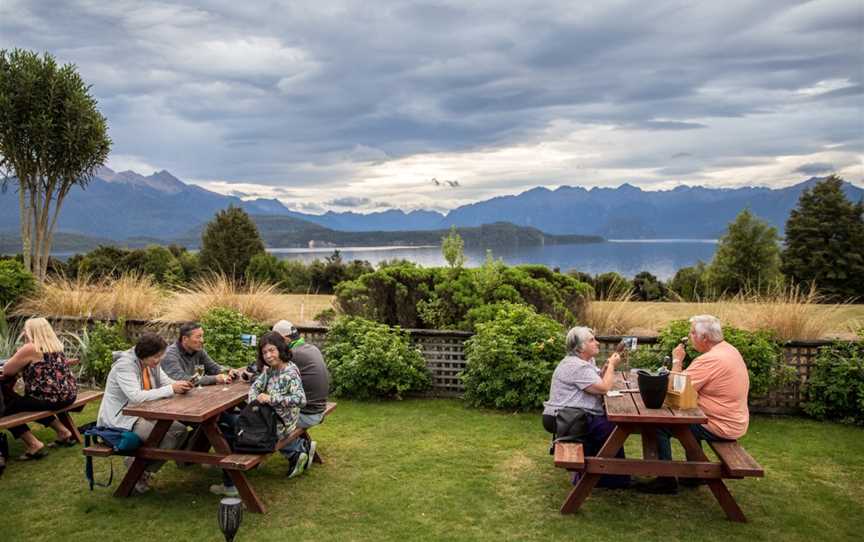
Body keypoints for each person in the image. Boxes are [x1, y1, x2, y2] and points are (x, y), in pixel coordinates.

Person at [636, 314, 750, 494]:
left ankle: (665, 479)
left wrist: (677, 361)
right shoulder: (729, 350)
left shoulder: (711, 360)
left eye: (692, 333)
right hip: (733, 420)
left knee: (657, 424)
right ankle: (694, 474)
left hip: (719, 425)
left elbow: (676, 388)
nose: (690, 336)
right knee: (686, 418)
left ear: (704, 338)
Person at [211, 331, 306, 497]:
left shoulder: (289, 372)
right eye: (264, 352)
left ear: (281, 349)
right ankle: (228, 471)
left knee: (226, 427)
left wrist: (271, 399)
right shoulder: (272, 370)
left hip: (279, 425)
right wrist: (255, 400)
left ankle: (230, 484)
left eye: (271, 350)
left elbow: (300, 399)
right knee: (224, 420)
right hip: (268, 418)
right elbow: (255, 385)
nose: (268, 356)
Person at [97, 332, 193, 494]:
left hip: (144, 413)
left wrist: (180, 385)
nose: (159, 360)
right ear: (143, 355)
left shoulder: (150, 362)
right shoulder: (124, 366)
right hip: (122, 418)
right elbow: (136, 396)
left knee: (180, 431)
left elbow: (165, 381)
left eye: (160, 356)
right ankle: (138, 472)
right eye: (156, 357)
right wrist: (171, 389)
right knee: (166, 436)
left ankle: (140, 468)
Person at [542, 326, 630, 489]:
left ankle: (612, 476)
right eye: (591, 340)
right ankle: (605, 478)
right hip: (567, 419)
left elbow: (596, 381)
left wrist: (606, 367)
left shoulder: (586, 362)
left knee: (610, 425)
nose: (597, 342)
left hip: (573, 416)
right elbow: (604, 388)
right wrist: (611, 366)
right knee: (613, 428)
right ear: (580, 347)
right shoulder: (576, 366)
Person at [1, 317, 79, 459]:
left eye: (25, 329)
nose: (23, 332)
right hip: (68, 395)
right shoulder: (55, 345)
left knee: (7, 410)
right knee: (24, 402)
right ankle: (64, 432)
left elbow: (6, 371)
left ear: (31, 331)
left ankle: (34, 445)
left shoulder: (30, 347)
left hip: (50, 398)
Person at [161, 322, 240, 385]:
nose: (202, 340)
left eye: (202, 336)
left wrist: (228, 371)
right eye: (198, 337)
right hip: (173, 400)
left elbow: (213, 368)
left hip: (195, 394)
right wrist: (214, 379)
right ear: (185, 339)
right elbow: (181, 378)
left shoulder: (198, 350)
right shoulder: (170, 354)